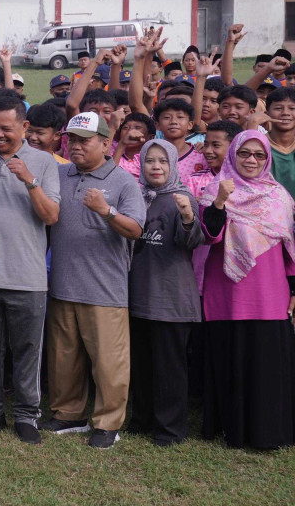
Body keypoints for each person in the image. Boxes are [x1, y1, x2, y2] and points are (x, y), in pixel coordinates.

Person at [41, 112, 145, 449]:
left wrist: (106, 211)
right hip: (62, 284)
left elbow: (136, 229)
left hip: (105, 289)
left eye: (84, 140)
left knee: (109, 363)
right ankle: (68, 414)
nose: (76, 146)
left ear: (105, 143)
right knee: (63, 357)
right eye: (72, 139)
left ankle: (108, 423)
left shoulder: (124, 181)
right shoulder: (59, 174)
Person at [0, 96, 60, 444]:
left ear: (24, 127)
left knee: (27, 351)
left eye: (6, 128)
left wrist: (29, 180)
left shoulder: (44, 162)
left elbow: (51, 216)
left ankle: (26, 415)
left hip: (28, 277)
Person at [199, 132, 295, 449]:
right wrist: (220, 201)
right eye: (244, 153)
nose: (251, 160)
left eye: (259, 155)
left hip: (270, 295)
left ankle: (269, 431)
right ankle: (232, 430)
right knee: (231, 360)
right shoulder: (216, 189)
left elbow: (291, 250)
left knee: (267, 365)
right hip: (226, 295)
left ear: (267, 159)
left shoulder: (280, 196)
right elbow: (209, 235)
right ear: (233, 155)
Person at [127, 139, 204, 446]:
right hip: (137, 296)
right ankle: (141, 420)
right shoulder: (137, 196)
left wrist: (186, 216)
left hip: (171, 300)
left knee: (169, 368)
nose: (156, 167)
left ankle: (170, 429)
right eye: (150, 161)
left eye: (163, 161)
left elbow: (191, 242)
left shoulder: (182, 197)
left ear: (173, 165)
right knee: (141, 365)